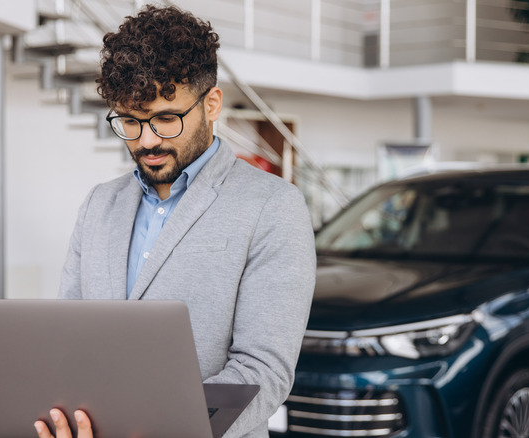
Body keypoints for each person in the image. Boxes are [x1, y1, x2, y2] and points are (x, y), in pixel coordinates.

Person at [32, 5, 316, 438]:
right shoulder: (98, 205)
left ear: (212, 104)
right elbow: (70, 341)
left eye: (167, 118)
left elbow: (264, 370)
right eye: (130, 121)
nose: (147, 140)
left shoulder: (273, 206)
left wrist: (163, 429)